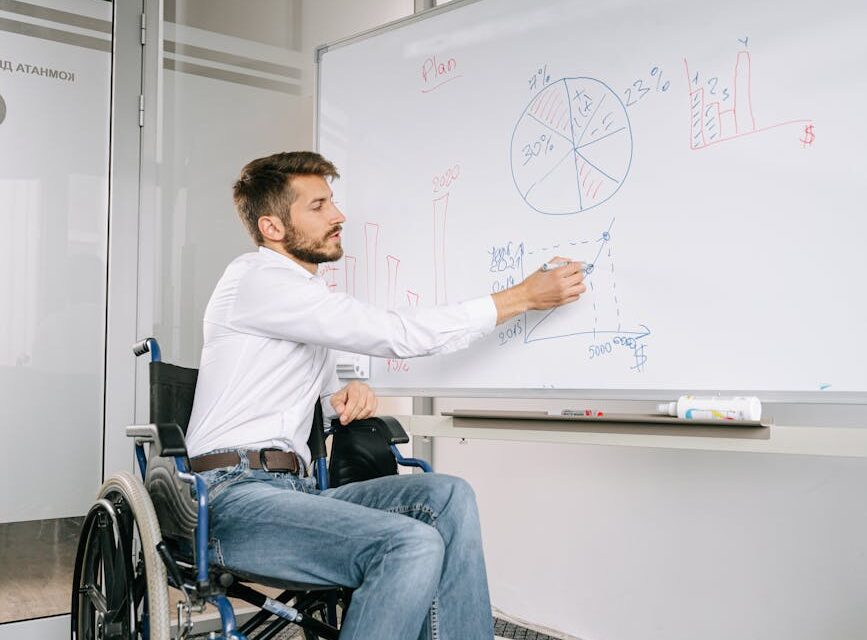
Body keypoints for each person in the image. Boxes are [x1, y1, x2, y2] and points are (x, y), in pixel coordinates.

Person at [185, 151, 586, 639]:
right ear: (272, 227)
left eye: (331, 201)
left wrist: (345, 386)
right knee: (410, 544)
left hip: (296, 492)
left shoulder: (296, 302)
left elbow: (314, 368)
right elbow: (395, 333)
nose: (338, 215)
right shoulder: (259, 279)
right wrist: (520, 297)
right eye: (318, 206)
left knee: (448, 495)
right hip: (231, 501)